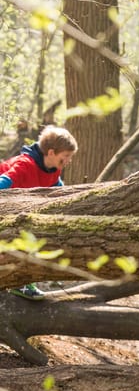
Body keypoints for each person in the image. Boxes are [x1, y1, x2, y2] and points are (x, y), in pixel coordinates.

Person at [0, 125, 78, 300]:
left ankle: (21, 281)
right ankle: (19, 282)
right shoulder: (25, 165)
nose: (69, 160)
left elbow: (58, 187)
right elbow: (4, 180)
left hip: (20, 209)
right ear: (51, 153)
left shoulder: (53, 169)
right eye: (66, 156)